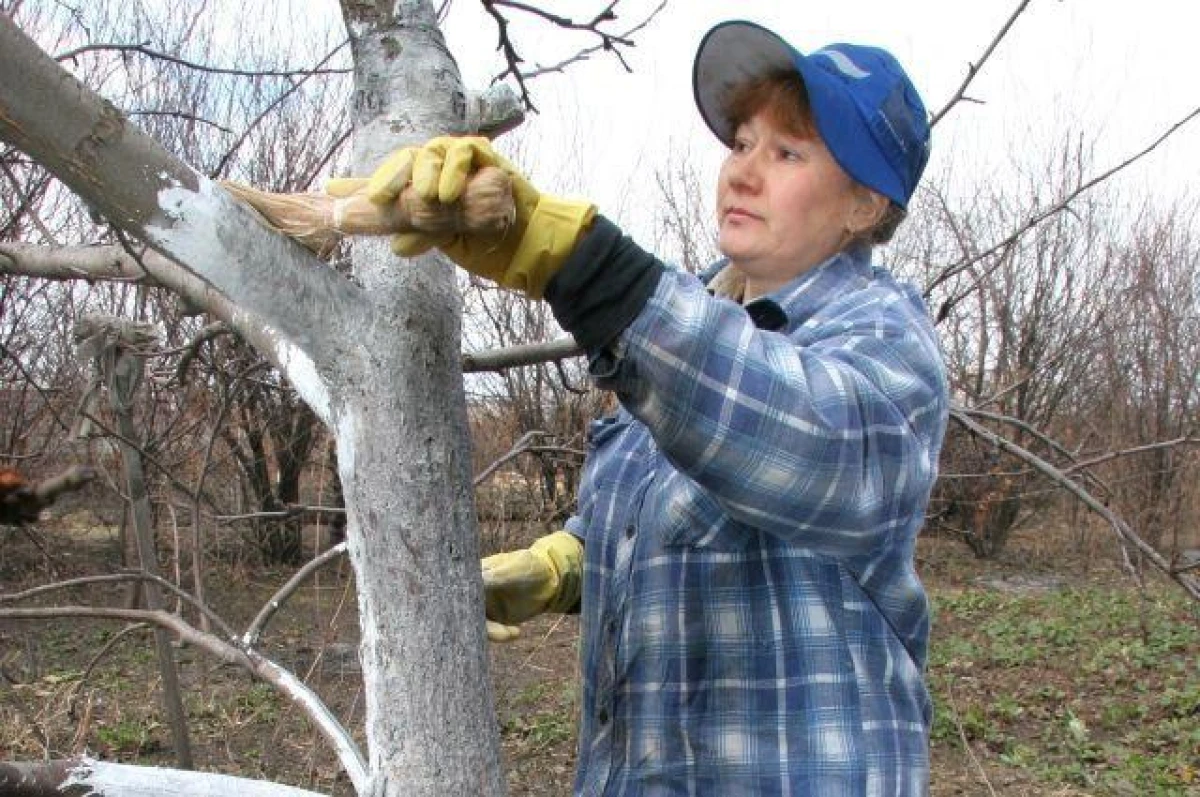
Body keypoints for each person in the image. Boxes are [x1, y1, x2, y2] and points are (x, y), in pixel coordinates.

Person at [355, 19, 948, 797]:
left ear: (865, 205)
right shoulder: (693, 317)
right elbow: (672, 506)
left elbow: (800, 446)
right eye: (742, 142)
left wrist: (581, 265)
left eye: (788, 153)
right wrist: (569, 564)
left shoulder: (884, 342)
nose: (743, 172)